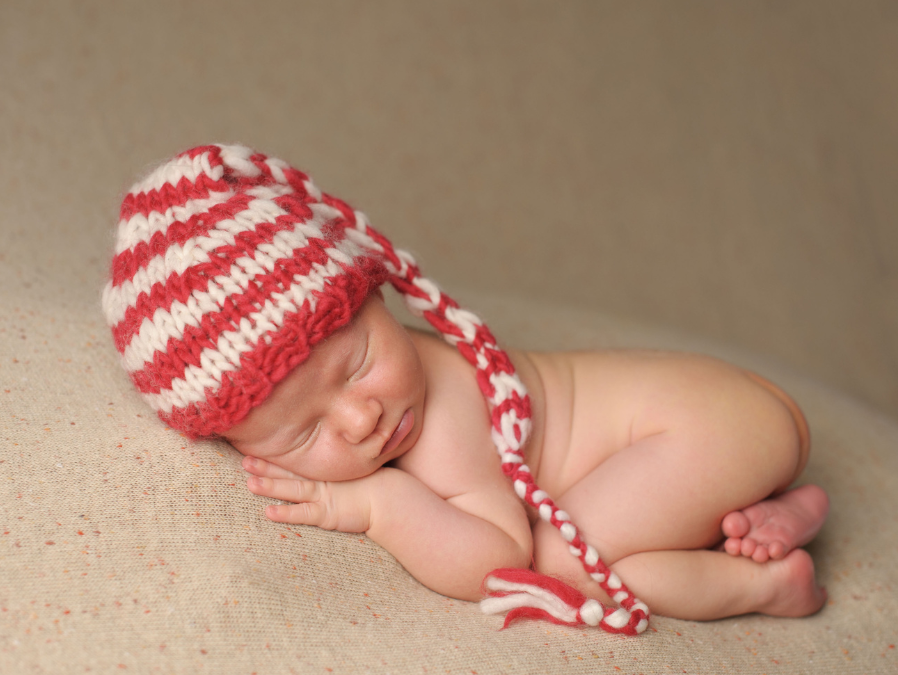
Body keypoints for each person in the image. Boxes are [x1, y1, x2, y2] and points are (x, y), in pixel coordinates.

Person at [103, 144, 828, 635]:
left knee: (567, 561)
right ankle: (768, 513)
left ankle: (765, 584)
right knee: (613, 544)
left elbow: (497, 556)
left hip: (700, 426)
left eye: (357, 364)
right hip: (718, 418)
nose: (361, 416)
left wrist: (377, 505)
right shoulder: (382, 397)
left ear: (378, 297)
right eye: (303, 434)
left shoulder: (443, 412)